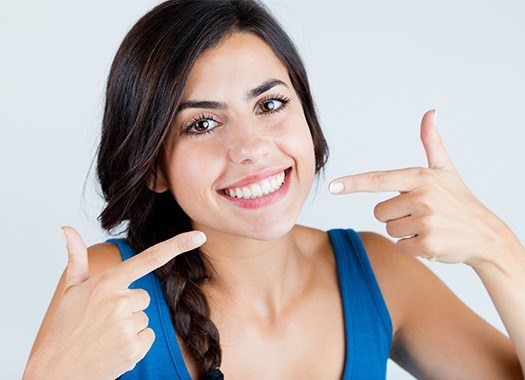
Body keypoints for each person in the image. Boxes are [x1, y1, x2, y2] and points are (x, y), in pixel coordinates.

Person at [23, 0, 525, 379]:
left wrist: (497, 250)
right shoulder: (112, 289)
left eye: (269, 105)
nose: (250, 147)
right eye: (201, 123)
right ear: (153, 166)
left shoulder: (378, 272)